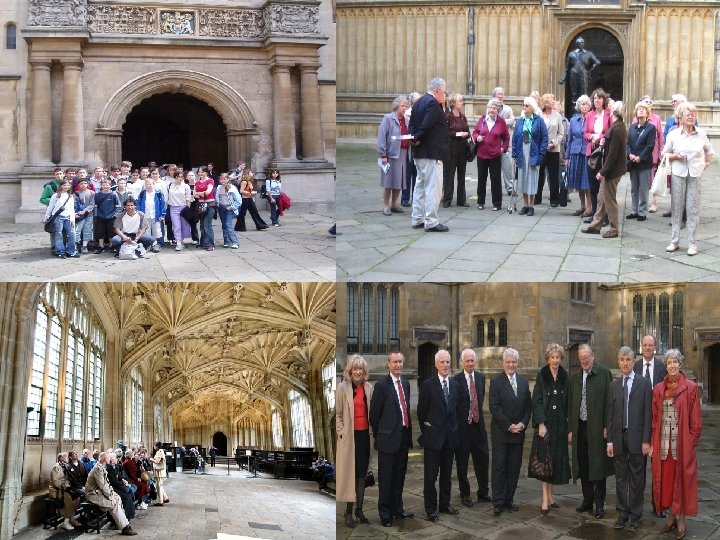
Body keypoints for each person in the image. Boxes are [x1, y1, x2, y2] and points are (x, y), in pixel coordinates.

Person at [650, 350, 702, 540]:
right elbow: (655, 419)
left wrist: (691, 443)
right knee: (668, 483)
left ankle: (681, 522)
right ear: (666, 366)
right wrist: (653, 442)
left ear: (680, 365)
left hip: (682, 447)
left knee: (682, 484)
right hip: (663, 446)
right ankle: (671, 518)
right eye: (669, 362)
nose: (672, 365)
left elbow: (696, 422)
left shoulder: (691, 388)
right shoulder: (658, 389)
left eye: (675, 362)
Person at [606, 346, 652, 532]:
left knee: (637, 479)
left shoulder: (644, 383)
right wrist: (609, 441)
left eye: (629, 360)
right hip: (618, 438)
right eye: (622, 359)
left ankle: (635, 514)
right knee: (620, 478)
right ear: (618, 362)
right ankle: (623, 512)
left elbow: (648, 414)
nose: (625, 363)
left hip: (637, 439)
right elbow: (609, 415)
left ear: (634, 361)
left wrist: (646, 441)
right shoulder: (614, 385)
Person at [662, 102, 714, 256]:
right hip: (678, 173)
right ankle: (674, 241)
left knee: (693, 209)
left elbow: (709, 150)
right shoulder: (673, 134)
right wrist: (675, 156)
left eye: (693, 114)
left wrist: (708, 161)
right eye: (688, 114)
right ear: (681, 117)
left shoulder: (701, 133)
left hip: (695, 174)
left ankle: (692, 244)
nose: (691, 116)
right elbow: (664, 155)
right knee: (677, 207)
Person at [568, 344, 614, 519]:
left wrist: (606, 426)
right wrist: (571, 429)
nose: (585, 360)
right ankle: (587, 500)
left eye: (587, 356)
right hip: (580, 427)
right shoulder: (575, 378)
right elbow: (571, 404)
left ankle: (599, 504)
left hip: (597, 428)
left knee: (598, 466)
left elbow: (610, 403)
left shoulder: (604, 374)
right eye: (581, 358)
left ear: (593, 356)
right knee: (584, 464)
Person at [369, 351, 414, 527]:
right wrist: (383, 434)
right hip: (388, 440)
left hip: (403, 437)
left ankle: (397, 508)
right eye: (395, 362)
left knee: (399, 477)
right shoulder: (381, 386)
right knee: (386, 478)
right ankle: (385, 514)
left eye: (400, 362)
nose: (398, 365)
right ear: (389, 364)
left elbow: (405, 410)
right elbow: (374, 415)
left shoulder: (406, 383)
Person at [417, 350, 460, 522]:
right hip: (433, 439)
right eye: (442, 362)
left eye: (448, 362)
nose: (445, 365)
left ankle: (445, 504)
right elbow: (421, 413)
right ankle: (430, 509)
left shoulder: (455, 386)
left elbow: (456, 411)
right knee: (430, 476)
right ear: (436, 365)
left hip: (450, 438)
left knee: (447, 475)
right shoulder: (428, 385)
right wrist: (428, 430)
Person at [489, 347, 531, 515]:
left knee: (514, 468)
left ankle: (508, 500)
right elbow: (494, 407)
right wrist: (508, 425)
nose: (511, 365)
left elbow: (528, 406)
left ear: (517, 363)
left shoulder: (523, 382)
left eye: (514, 362)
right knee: (499, 467)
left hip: (518, 433)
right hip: (501, 433)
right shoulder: (496, 381)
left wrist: (523, 423)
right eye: (508, 362)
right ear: (503, 363)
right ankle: (498, 502)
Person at [531, 343, 571, 516]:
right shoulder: (542, 375)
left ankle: (552, 495)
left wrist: (569, 428)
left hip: (560, 427)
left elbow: (569, 402)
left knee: (554, 461)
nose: (555, 360)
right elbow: (537, 400)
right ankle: (545, 499)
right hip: (545, 426)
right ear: (547, 358)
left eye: (558, 357)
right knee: (544, 461)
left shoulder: (565, 376)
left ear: (561, 358)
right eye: (552, 357)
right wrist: (540, 423)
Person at [408, 77, 451, 232]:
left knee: (420, 186)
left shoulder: (419, 102)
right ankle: (431, 221)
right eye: (443, 91)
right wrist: (417, 137)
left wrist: (414, 138)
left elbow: (411, 124)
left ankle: (417, 218)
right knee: (433, 188)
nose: (444, 94)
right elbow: (427, 124)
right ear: (438, 89)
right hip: (431, 152)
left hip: (420, 152)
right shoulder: (432, 103)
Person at [336, 354, 373, 528]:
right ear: (349, 371)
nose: (358, 372)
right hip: (350, 438)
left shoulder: (369, 388)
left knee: (361, 475)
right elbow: (338, 415)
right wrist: (341, 432)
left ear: (364, 371)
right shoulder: (342, 388)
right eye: (355, 369)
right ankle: (348, 512)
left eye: (361, 369)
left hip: (365, 436)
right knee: (350, 475)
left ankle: (360, 509)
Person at [581, 100, 627, 238]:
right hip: (610, 169)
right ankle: (596, 225)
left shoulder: (618, 128)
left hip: (613, 171)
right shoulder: (616, 126)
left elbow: (612, 155)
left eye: (611, 109)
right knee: (601, 197)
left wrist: (602, 172)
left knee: (609, 199)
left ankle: (614, 228)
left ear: (613, 111)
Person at [452, 348, 491, 508]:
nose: (470, 363)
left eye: (472, 361)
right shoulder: (456, 380)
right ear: (462, 362)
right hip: (463, 429)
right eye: (467, 361)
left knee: (483, 460)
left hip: (478, 428)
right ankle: (465, 494)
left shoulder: (481, 378)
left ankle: (483, 492)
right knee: (462, 463)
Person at [85, 451, 138, 535]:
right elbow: (102, 486)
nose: (110, 459)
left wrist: (113, 493)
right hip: (92, 494)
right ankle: (125, 527)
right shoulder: (97, 469)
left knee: (118, 498)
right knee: (113, 503)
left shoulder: (101, 467)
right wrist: (110, 496)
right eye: (109, 457)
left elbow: (107, 483)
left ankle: (120, 523)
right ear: (105, 459)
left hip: (99, 492)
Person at [512, 96, 548, 217]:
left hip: (533, 152)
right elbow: (515, 138)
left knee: (532, 179)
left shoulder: (539, 120)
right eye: (523, 105)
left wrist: (541, 154)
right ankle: (525, 205)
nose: (524, 107)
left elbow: (544, 138)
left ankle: (531, 206)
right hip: (522, 151)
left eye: (527, 105)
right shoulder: (520, 121)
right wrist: (514, 153)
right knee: (523, 179)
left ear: (533, 108)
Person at [473, 98, 510, 211]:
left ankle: (497, 203)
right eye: (490, 107)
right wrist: (477, 137)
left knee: (495, 180)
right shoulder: (482, 119)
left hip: (495, 155)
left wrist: (503, 149)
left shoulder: (501, 121)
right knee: (481, 179)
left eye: (494, 108)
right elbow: (475, 132)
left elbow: (506, 137)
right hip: (482, 155)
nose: (491, 110)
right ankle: (480, 202)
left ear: (498, 110)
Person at [582, 88, 612, 220]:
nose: (597, 100)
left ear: (603, 100)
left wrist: (600, 137)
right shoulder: (589, 115)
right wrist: (592, 137)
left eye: (599, 98)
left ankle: (604, 216)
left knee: (603, 186)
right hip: (592, 153)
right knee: (593, 185)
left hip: (604, 153)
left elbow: (611, 131)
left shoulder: (609, 114)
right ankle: (595, 214)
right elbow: (585, 133)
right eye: (594, 98)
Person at [378, 95, 411, 215]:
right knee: (389, 182)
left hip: (404, 153)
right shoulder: (388, 118)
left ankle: (395, 203)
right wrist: (383, 154)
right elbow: (382, 137)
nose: (404, 108)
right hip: (391, 154)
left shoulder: (407, 120)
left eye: (406, 106)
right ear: (396, 106)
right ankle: (386, 205)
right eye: (402, 106)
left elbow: (409, 134)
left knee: (400, 182)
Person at [626, 101, 657, 222]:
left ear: (647, 113)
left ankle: (642, 211)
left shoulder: (651, 128)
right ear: (636, 112)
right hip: (633, 162)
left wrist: (640, 157)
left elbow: (650, 146)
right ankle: (634, 210)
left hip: (644, 163)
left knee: (643, 188)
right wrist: (630, 155)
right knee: (634, 188)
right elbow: (627, 143)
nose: (641, 111)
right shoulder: (632, 127)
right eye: (639, 109)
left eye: (643, 109)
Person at [535, 94, 565, 207]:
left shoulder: (557, 116)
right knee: (539, 174)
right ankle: (537, 197)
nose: (553, 103)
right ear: (545, 103)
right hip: (541, 149)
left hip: (554, 150)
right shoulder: (538, 115)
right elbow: (535, 131)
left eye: (553, 101)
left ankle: (554, 199)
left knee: (553, 175)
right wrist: (541, 145)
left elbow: (561, 133)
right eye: (551, 101)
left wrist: (553, 143)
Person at [442, 93, 470, 208]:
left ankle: (461, 200)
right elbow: (444, 133)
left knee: (461, 175)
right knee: (449, 175)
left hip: (462, 149)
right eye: (459, 101)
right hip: (451, 150)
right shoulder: (447, 116)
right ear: (453, 103)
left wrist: (466, 134)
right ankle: (447, 199)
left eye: (462, 101)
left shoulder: (463, 117)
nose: (461, 103)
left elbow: (468, 131)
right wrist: (457, 134)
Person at [566, 95, 592, 217]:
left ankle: (590, 208)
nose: (585, 106)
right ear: (578, 106)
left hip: (587, 152)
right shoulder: (573, 120)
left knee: (587, 182)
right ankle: (582, 206)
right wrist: (567, 157)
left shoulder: (592, 118)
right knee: (579, 183)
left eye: (587, 104)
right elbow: (569, 139)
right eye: (583, 104)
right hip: (575, 153)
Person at [559, 37, 601, 105]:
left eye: (582, 42)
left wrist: (589, 71)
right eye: (579, 43)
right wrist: (563, 79)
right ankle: (574, 109)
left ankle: (584, 108)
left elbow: (597, 62)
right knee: (574, 93)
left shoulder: (588, 53)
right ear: (576, 44)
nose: (581, 44)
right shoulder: (571, 54)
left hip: (583, 74)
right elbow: (567, 68)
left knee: (583, 93)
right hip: (573, 74)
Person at [44, 179, 79, 259]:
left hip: (68, 217)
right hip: (57, 217)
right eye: (64, 185)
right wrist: (46, 217)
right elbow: (50, 207)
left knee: (72, 234)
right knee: (58, 235)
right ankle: (60, 252)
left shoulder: (70, 196)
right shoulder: (55, 195)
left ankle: (71, 251)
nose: (66, 187)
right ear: (61, 186)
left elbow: (71, 209)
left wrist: (72, 219)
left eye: (67, 185)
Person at [492, 87, 516, 195]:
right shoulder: (490, 108)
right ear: (494, 96)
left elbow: (512, 121)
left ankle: (510, 188)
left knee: (508, 165)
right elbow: (489, 120)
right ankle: (495, 188)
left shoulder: (508, 109)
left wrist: (499, 121)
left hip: (506, 141)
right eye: (498, 94)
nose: (501, 96)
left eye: (502, 94)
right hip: (493, 141)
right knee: (495, 167)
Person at [49, 452, 80, 530]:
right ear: (60, 458)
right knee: (68, 498)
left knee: (77, 497)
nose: (67, 458)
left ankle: (72, 518)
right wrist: (65, 485)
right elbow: (55, 482)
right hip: (57, 490)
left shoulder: (66, 466)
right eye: (65, 456)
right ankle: (65, 522)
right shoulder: (56, 467)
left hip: (64, 489)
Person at [400, 92, 422, 207]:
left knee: (417, 174)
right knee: (407, 175)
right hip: (408, 149)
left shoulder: (421, 113)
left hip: (418, 148)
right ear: (412, 103)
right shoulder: (407, 115)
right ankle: (405, 198)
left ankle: (415, 198)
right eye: (416, 101)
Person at [136, 178, 166, 252]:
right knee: (147, 231)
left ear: (154, 185)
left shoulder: (158, 194)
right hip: (146, 216)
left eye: (150, 184)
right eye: (147, 184)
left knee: (156, 231)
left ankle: (156, 245)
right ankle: (148, 245)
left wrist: (162, 215)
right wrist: (140, 214)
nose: (149, 186)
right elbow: (139, 204)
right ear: (145, 185)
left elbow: (163, 205)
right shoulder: (142, 194)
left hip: (156, 216)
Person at [93, 178, 121, 254]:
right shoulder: (97, 195)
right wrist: (96, 215)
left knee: (111, 232)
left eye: (107, 185)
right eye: (104, 185)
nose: (105, 186)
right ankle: (101, 246)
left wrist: (115, 215)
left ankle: (112, 246)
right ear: (101, 186)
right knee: (100, 232)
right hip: (100, 216)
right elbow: (95, 206)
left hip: (111, 217)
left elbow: (118, 206)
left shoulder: (114, 194)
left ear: (110, 186)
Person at [167, 170, 192, 251]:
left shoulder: (186, 186)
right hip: (173, 207)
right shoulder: (170, 185)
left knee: (184, 225)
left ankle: (182, 240)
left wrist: (187, 208)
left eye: (182, 177)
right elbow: (167, 196)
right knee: (176, 225)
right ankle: (178, 243)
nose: (180, 178)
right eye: (178, 177)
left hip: (183, 207)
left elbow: (188, 198)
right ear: (175, 177)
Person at [193, 165, 217, 251]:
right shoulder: (197, 182)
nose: (200, 173)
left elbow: (208, 192)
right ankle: (203, 242)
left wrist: (200, 193)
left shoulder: (210, 180)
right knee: (202, 225)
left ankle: (210, 244)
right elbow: (194, 194)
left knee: (207, 225)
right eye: (199, 172)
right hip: (200, 205)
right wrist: (202, 193)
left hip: (210, 204)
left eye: (202, 172)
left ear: (206, 172)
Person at [106, 451, 135, 520]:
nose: (117, 459)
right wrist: (122, 483)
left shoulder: (115, 466)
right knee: (126, 496)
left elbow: (119, 476)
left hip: (117, 486)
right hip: (112, 488)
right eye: (116, 458)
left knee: (128, 494)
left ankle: (128, 515)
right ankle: (122, 517)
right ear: (112, 460)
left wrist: (123, 480)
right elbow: (113, 481)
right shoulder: (108, 468)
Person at [216, 172, 241, 248]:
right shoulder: (219, 188)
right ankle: (226, 241)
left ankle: (235, 242)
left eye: (224, 179)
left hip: (229, 208)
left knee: (228, 225)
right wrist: (218, 203)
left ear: (228, 179)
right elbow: (217, 197)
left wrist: (231, 207)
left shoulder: (232, 188)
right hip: (221, 208)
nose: (223, 181)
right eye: (221, 179)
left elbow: (239, 200)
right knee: (224, 225)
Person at [73, 178, 95, 254]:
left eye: (85, 183)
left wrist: (85, 211)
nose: (83, 185)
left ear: (88, 184)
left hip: (89, 215)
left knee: (87, 230)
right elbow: (74, 205)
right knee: (77, 230)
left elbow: (92, 204)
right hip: (79, 215)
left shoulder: (92, 193)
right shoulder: (75, 194)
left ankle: (85, 245)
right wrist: (76, 213)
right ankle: (76, 244)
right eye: (81, 183)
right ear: (78, 185)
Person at [149, 442, 170, 506]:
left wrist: (151, 459)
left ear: (157, 446)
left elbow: (157, 461)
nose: (154, 447)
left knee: (159, 486)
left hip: (159, 471)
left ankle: (161, 501)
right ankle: (165, 497)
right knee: (159, 485)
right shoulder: (161, 451)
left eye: (154, 446)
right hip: (160, 471)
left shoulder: (159, 452)